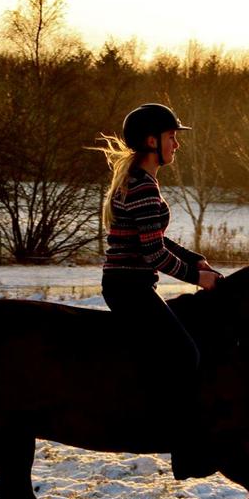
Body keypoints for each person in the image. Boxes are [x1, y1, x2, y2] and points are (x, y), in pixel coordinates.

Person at [96, 103, 222, 476]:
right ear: (152, 141)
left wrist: (194, 258)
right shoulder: (144, 188)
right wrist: (199, 278)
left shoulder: (137, 180)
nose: (176, 146)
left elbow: (156, 239)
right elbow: (153, 253)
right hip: (130, 287)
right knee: (185, 355)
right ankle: (185, 451)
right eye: (171, 138)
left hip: (125, 284)